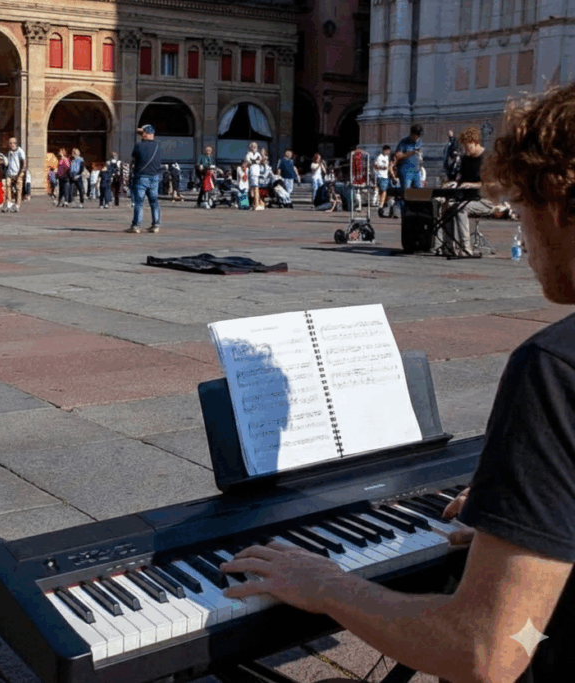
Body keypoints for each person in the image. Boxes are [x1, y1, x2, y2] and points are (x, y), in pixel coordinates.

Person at [221, 82, 575, 683]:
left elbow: (490, 652)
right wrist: (530, 519)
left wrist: (330, 586)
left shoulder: (555, 367)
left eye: (520, 209)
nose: (522, 234)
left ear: (560, 204)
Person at [434, 127, 496, 258]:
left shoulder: (487, 158)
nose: (466, 150)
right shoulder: (466, 158)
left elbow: (492, 184)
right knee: (446, 206)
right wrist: (455, 183)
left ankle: (466, 248)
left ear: (475, 142)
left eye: (467, 147)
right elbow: (461, 178)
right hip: (467, 198)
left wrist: (472, 185)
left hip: (485, 200)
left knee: (461, 209)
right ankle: (448, 246)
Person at [126, 125, 162, 234]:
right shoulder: (158, 146)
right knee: (154, 202)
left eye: (142, 133)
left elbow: (134, 158)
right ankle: (156, 225)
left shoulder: (139, 146)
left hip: (141, 176)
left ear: (146, 134)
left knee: (139, 202)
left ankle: (136, 226)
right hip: (155, 176)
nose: (141, 135)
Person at [3, 137, 26, 213]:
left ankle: (17, 205)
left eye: (13, 143)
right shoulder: (9, 152)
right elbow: (8, 163)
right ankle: (9, 204)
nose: (12, 144)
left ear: (16, 143)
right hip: (10, 173)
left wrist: (19, 175)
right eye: (10, 143)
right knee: (7, 187)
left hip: (18, 173)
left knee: (18, 189)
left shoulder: (20, 151)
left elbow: (23, 163)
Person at [374, 145, 393, 217]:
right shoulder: (380, 157)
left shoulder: (387, 157)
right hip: (381, 176)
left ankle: (383, 206)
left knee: (386, 193)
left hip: (386, 176)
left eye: (389, 151)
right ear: (384, 150)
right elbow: (375, 165)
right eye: (387, 151)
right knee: (383, 192)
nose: (388, 152)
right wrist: (381, 167)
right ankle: (381, 207)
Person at [245, 142, 264, 210]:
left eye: (255, 146)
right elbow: (248, 162)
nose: (254, 147)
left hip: (257, 172)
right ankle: (256, 204)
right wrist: (255, 161)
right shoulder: (249, 154)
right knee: (254, 189)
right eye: (252, 146)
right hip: (252, 172)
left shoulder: (258, 154)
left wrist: (262, 155)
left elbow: (261, 161)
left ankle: (256, 204)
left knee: (256, 189)